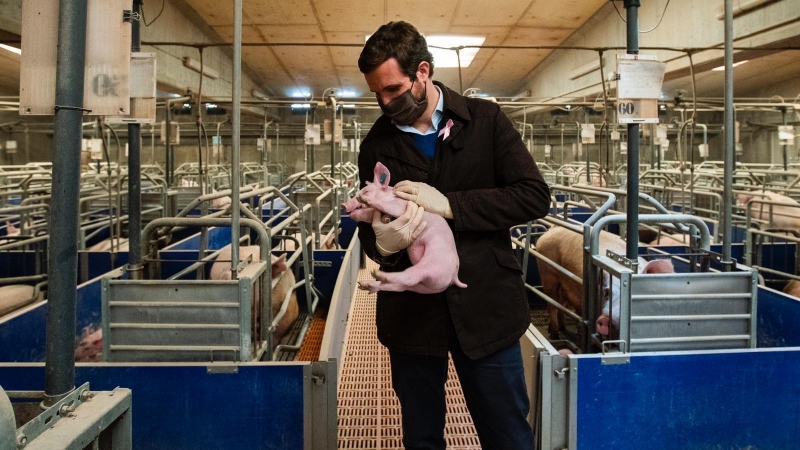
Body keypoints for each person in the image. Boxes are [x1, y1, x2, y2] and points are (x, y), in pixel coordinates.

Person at [356, 21, 551, 450]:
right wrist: (383, 245)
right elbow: (370, 227)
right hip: (412, 316)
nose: (385, 103)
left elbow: (534, 196)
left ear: (422, 72)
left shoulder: (484, 120)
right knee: (422, 437)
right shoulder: (375, 145)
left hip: (486, 305)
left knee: (507, 435)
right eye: (377, 93)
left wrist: (452, 206)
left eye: (393, 89)